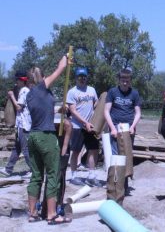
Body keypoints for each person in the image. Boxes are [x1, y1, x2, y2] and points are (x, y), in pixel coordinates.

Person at [26, 55, 72, 224]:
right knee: (53, 173)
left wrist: (59, 110)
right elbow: (60, 70)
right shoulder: (41, 88)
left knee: (36, 175)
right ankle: (51, 214)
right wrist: (66, 58)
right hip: (46, 136)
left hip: (33, 136)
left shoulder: (30, 94)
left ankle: (32, 213)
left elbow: (43, 111)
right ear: (41, 78)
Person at [104, 68, 142, 192]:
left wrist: (132, 127)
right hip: (115, 128)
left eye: (127, 80)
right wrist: (112, 128)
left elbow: (137, 113)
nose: (125, 83)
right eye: (123, 80)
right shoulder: (112, 92)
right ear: (119, 80)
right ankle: (116, 184)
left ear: (130, 81)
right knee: (116, 157)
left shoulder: (134, 94)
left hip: (128, 130)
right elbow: (106, 111)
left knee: (126, 156)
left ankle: (124, 185)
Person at [66, 68, 100, 187]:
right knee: (75, 151)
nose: (82, 78)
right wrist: (84, 122)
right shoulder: (72, 92)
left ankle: (91, 175)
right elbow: (73, 111)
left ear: (86, 77)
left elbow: (96, 104)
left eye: (84, 76)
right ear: (76, 78)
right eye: (80, 76)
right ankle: (74, 175)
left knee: (93, 150)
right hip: (77, 126)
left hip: (91, 126)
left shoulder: (92, 90)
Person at [0, 71, 32, 178]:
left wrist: (12, 96)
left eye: (17, 80)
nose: (16, 83)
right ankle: (8, 169)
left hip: (24, 125)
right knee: (17, 148)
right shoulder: (25, 90)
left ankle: (34, 171)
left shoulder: (24, 90)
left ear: (21, 80)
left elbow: (19, 107)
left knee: (25, 148)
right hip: (21, 125)